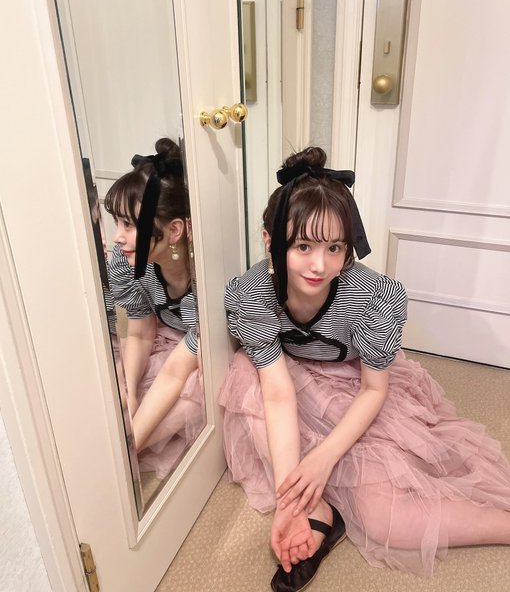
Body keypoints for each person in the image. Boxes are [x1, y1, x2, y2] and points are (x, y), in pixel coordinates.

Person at [219, 146, 510, 590]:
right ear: (270, 240)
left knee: (385, 518)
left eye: (334, 247)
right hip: (286, 379)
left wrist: (324, 457)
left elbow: (374, 390)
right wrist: (290, 502)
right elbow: (276, 393)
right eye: (302, 246)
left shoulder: (372, 296)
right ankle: (316, 511)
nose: (320, 265)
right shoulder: (251, 293)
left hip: (356, 386)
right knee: (247, 376)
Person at [105, 138, 205, 478]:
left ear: (174, 230)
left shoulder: (205, 277)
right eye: (117, 223)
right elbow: (138, 331)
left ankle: (125, 459)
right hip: (166, 336)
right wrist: (130, 391)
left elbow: (177, 370)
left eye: (129, 225)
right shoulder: (125, 260)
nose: (117, 237)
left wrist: (131, 443)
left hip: (203, 351)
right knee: (119, 382)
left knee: (197, 390)